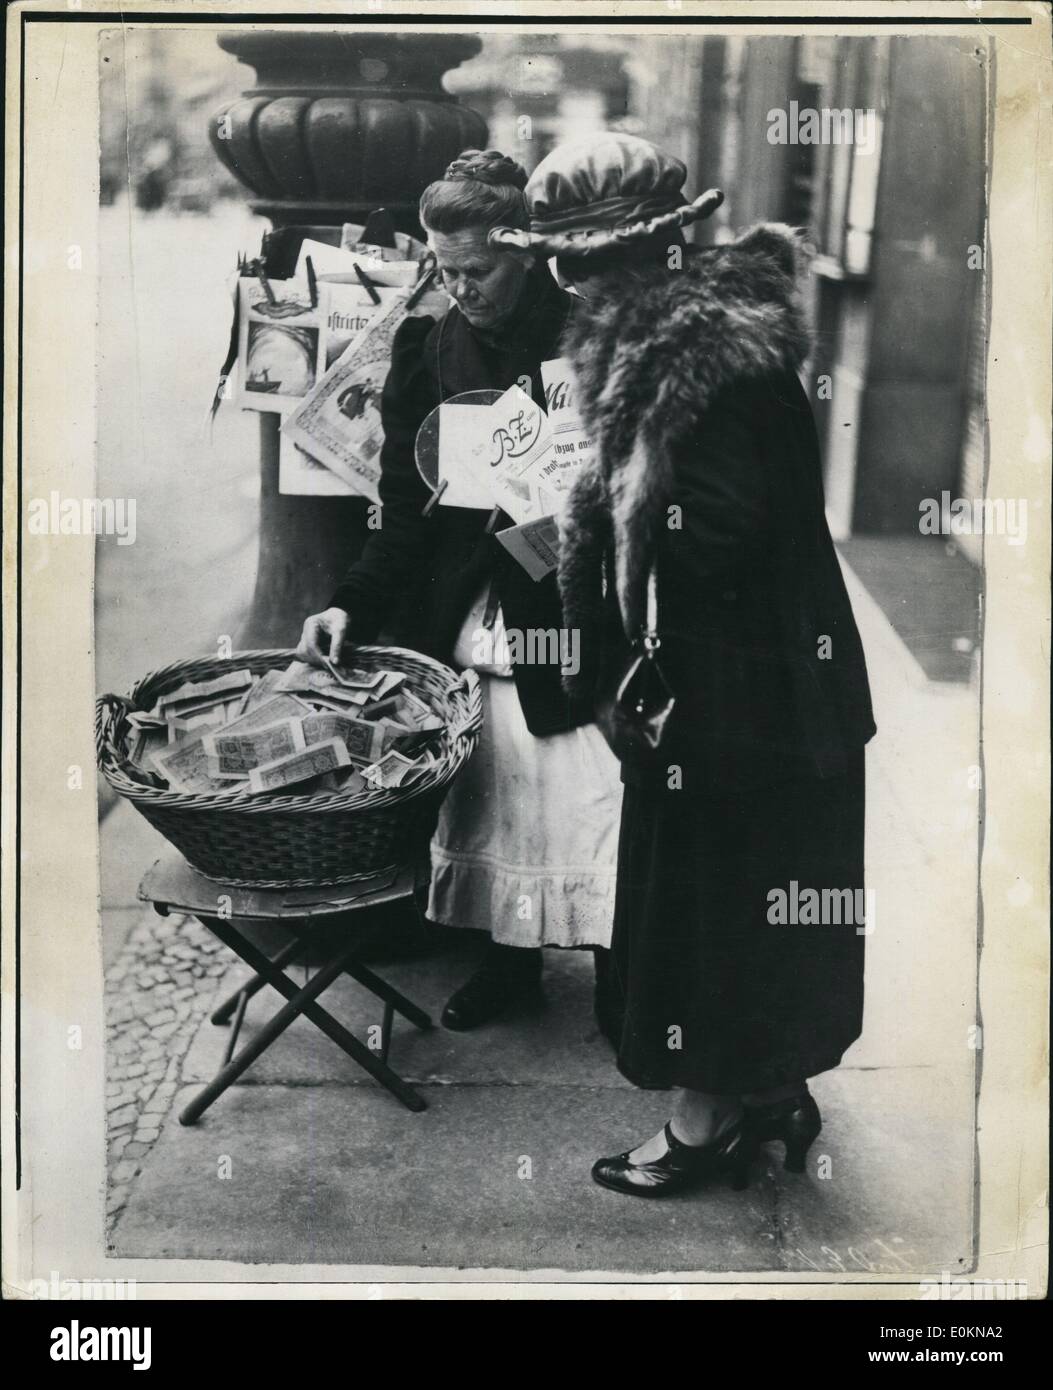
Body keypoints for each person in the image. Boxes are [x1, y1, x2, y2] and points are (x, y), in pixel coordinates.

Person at [491, 132, 877, 1196]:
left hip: (742, 693)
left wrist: (587, 513)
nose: (565, 284)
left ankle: (707, 1122)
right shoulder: (710, 337)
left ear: (633, 259)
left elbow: (718, 529)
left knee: (712, 905)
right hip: (770, 686)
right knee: (753, 897)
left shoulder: (688, 360)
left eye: (577, 263)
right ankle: (766, 1093)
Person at [297, 149, 622, 1034]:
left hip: (575, 604)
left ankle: (620, 968)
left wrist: (559, 530)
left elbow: (633, 489)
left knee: (593, 795)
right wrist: (348, 605)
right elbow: (403, 511)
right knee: (499, 797)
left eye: (476, 270)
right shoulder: (426, 345)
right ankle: (508, 961)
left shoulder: (588, 338)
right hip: (476, 616)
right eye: (443, 269)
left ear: (524, 253)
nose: (459, 288)